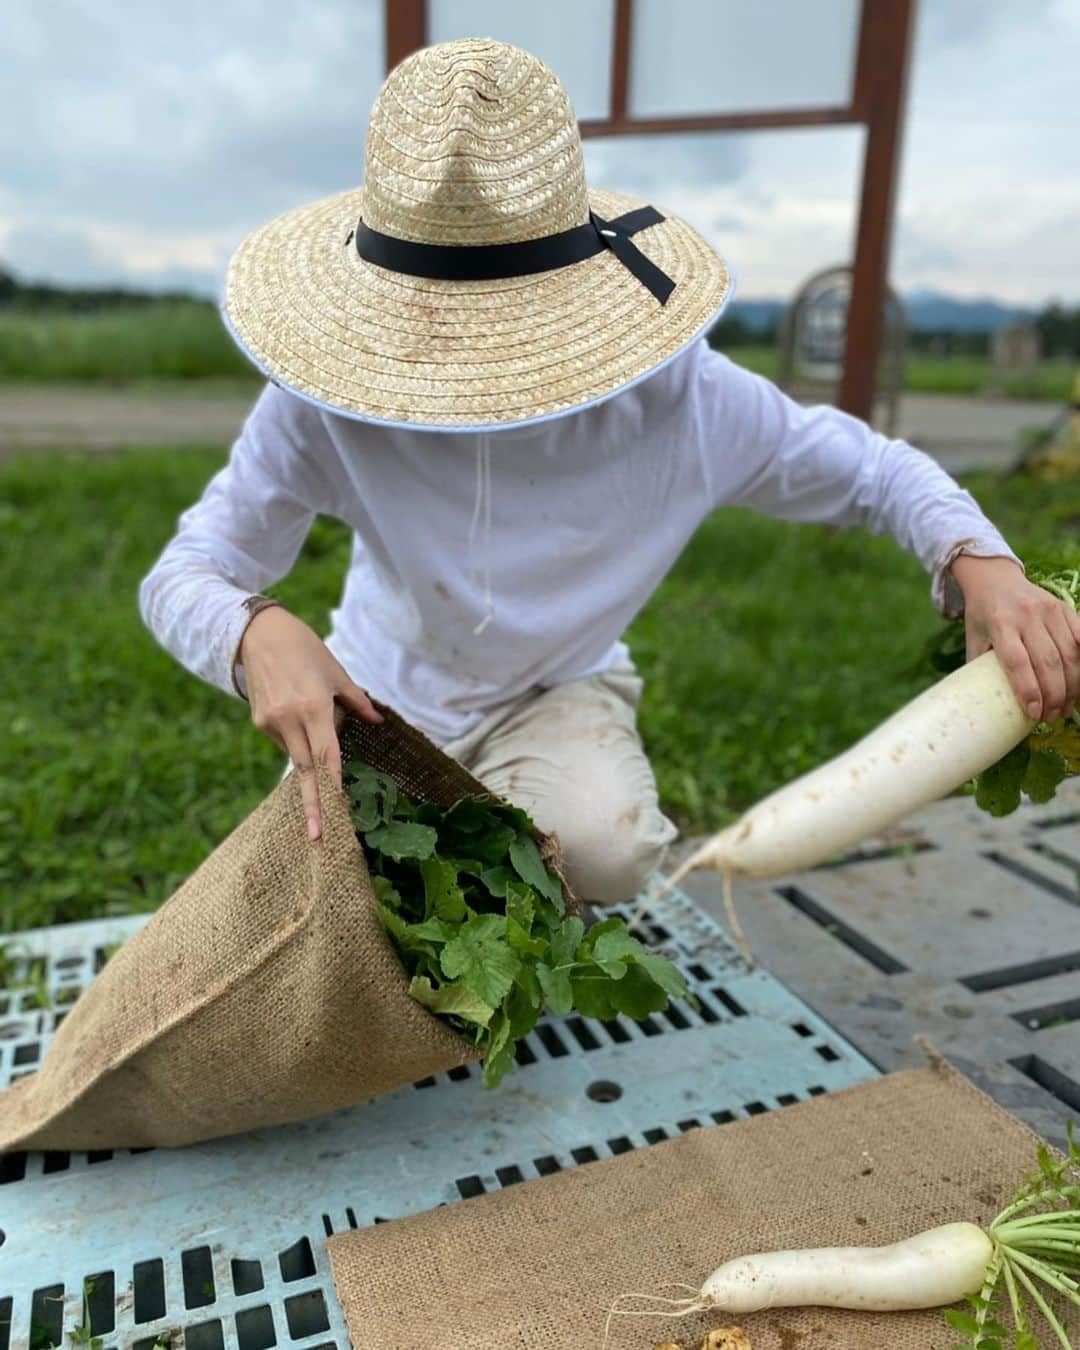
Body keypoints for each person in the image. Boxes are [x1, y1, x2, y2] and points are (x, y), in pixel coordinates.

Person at [140, 38, 1080, 905]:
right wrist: (254, 631)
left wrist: (978, 558)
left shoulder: (686, 406)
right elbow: (183, 575)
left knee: (604, 847)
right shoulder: (327, 407)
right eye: (437, 336)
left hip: (560, 687)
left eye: (508, 335)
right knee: (337, 902)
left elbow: (874, 473)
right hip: (380, 699)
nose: (473, 378)